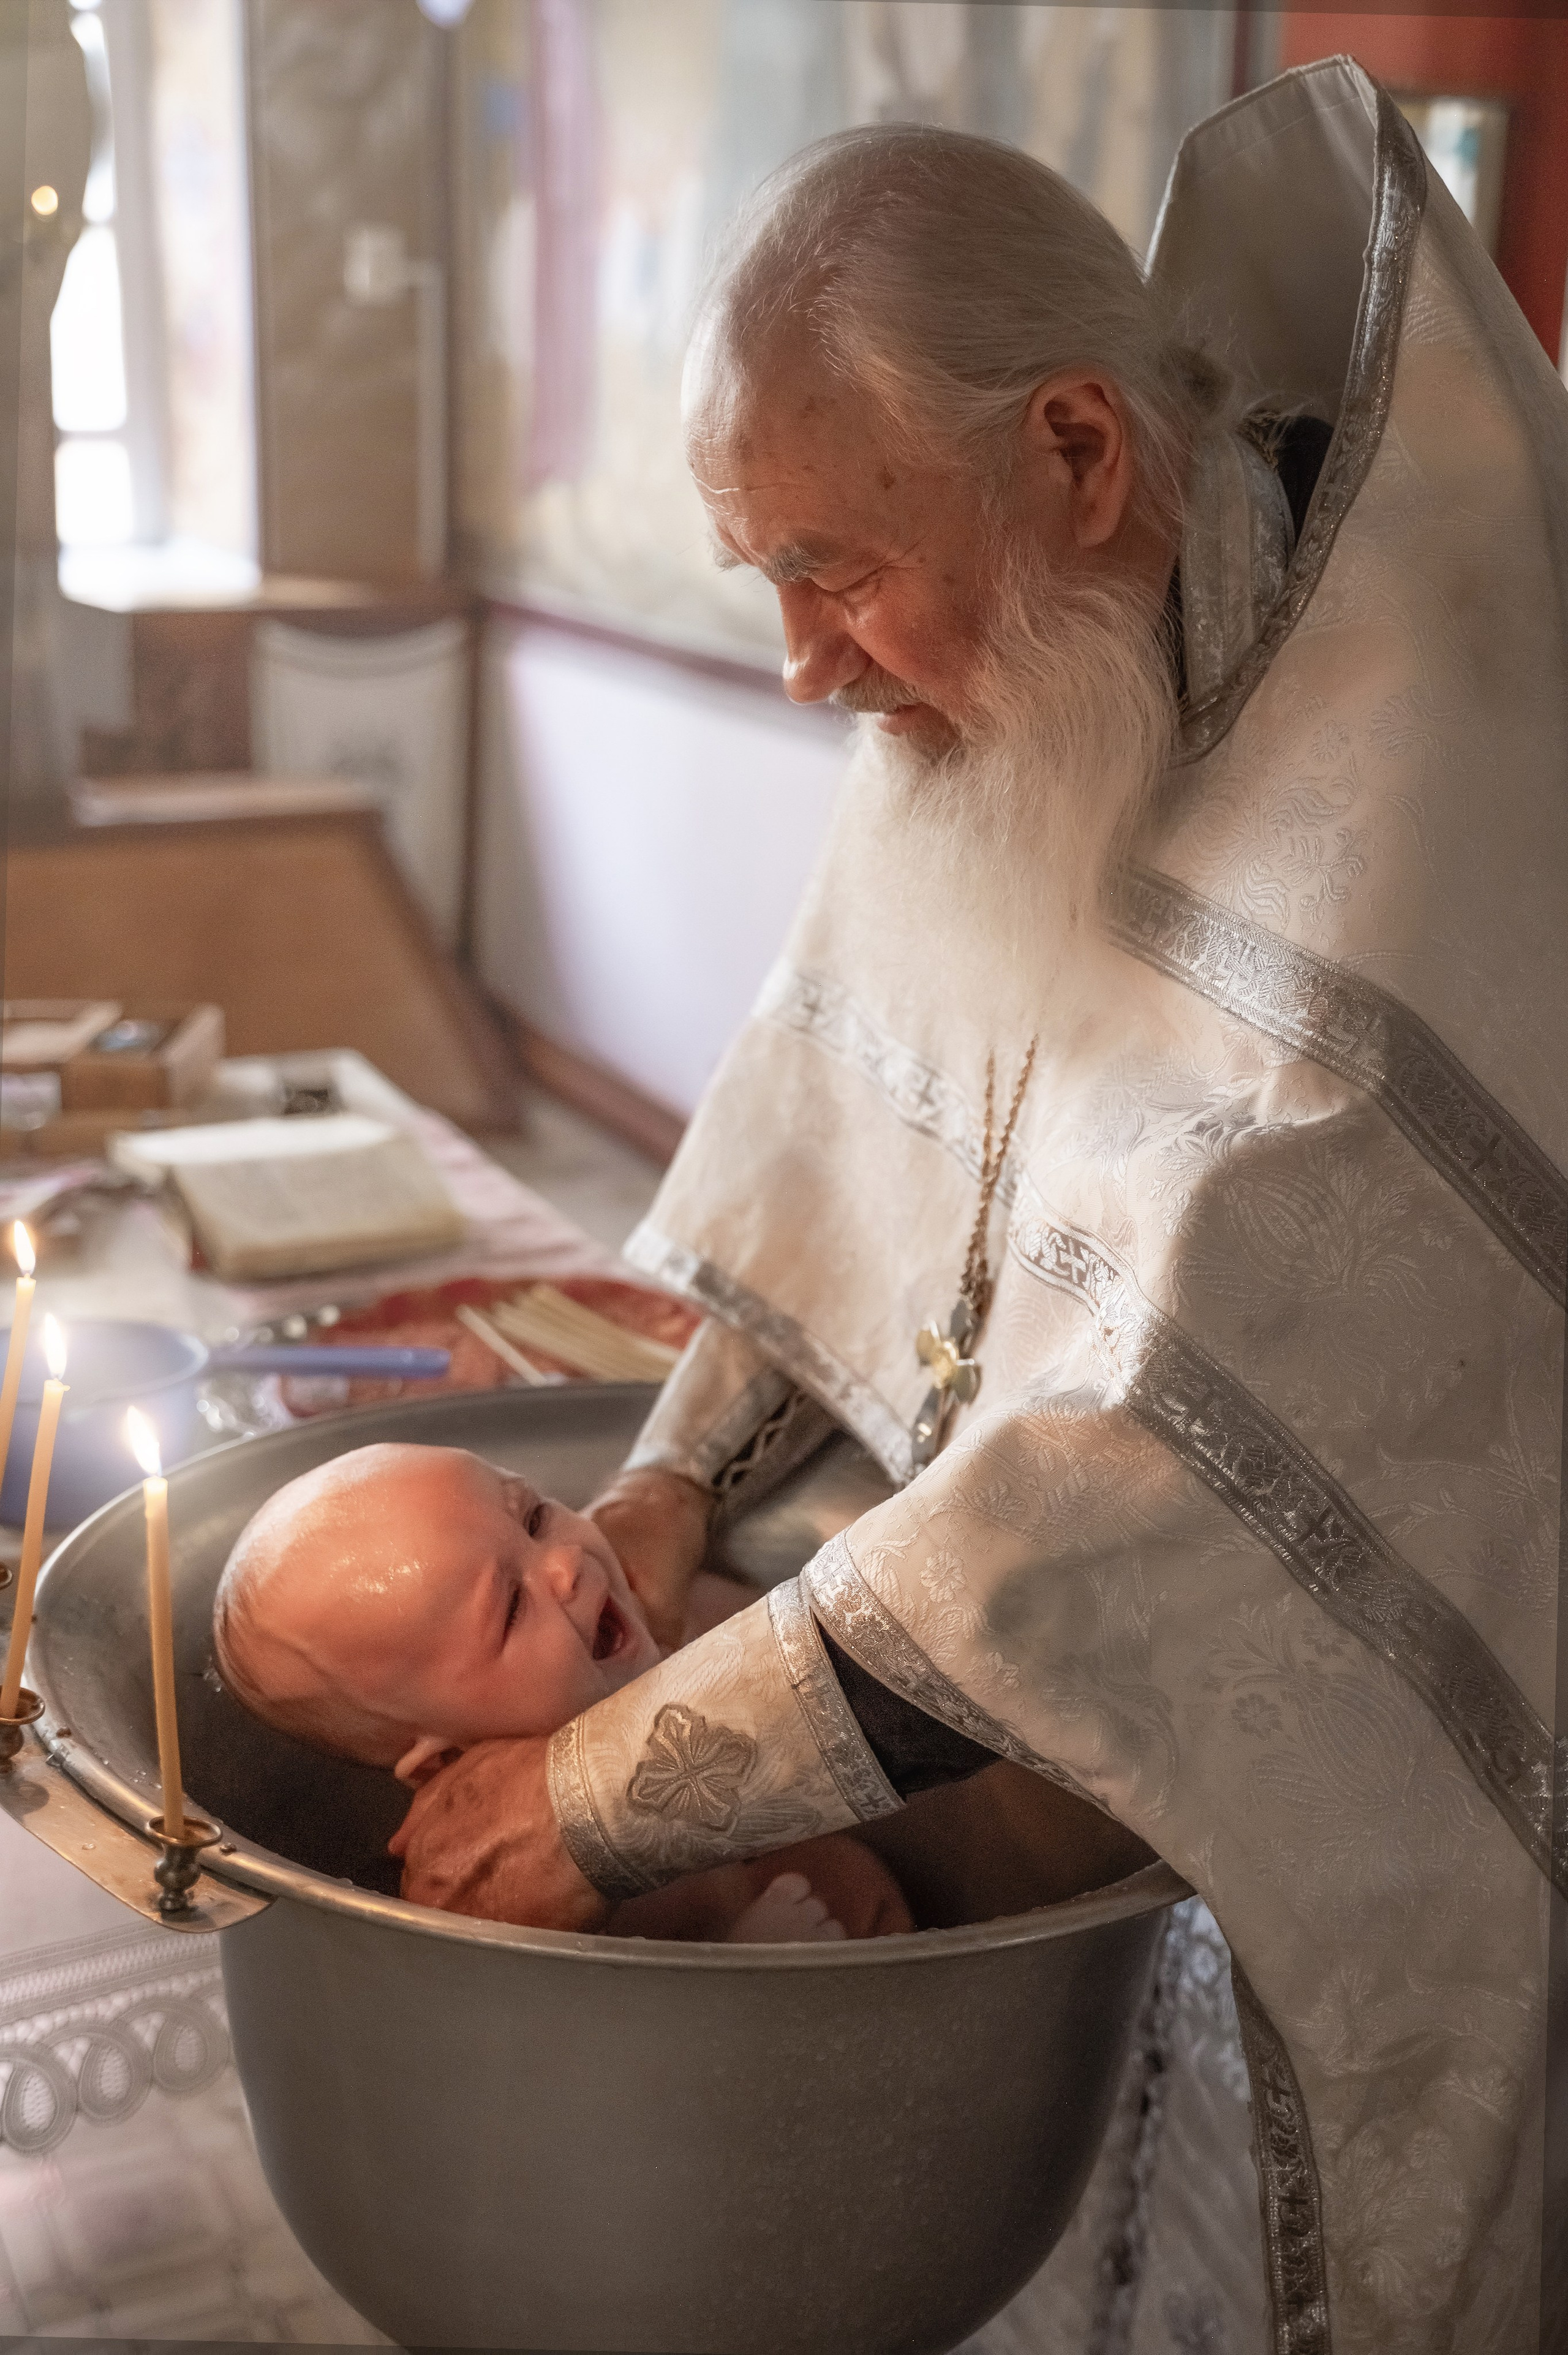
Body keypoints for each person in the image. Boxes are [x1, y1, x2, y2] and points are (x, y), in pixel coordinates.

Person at [393, 61, 1568, 2354]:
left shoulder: (1410, 747)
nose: (800, 660)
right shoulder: (1015, 658)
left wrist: (617, 1783)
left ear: (1071, 450)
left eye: (831, 566)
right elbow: (879, 1124)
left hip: (1355, 1731)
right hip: (1023, 1715)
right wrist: (662, 1485)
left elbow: (1176, 1431)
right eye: (765, 574)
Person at [212, 1442, 913, 1945]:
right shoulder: (504, 1881)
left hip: (752, 1873)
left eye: (535, 1517)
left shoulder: (655, 1626)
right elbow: (582, 2039)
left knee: (853, 1879)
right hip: (714, 2019)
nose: (568, 1564)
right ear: (440, 1763)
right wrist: (750, 1953)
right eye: (512, 1608)